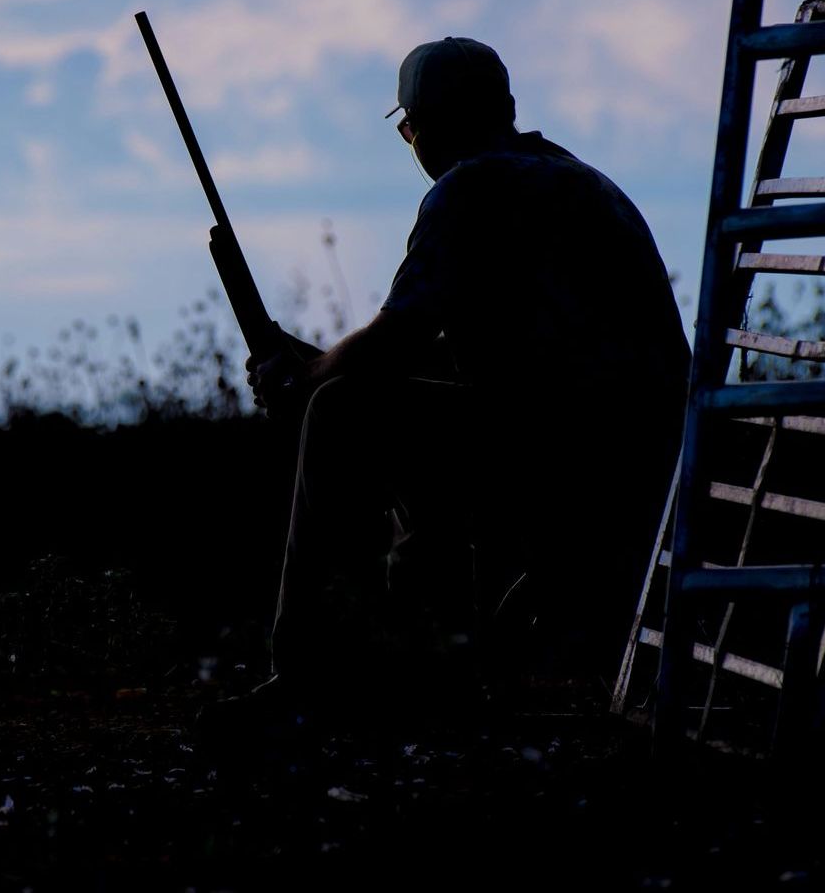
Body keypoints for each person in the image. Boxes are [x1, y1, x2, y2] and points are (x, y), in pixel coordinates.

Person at [229, 37, 689, 727]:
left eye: (411, 128)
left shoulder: (468, 189)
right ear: (505, 107)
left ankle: (305, 675)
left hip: (567, 460)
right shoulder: (581, 181)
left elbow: (397, 339)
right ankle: (432, 666)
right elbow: (464, 359)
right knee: (397, 420)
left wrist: (313, 378)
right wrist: (320, 360)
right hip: (646, 456)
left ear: (418, 130)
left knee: (340, 412)